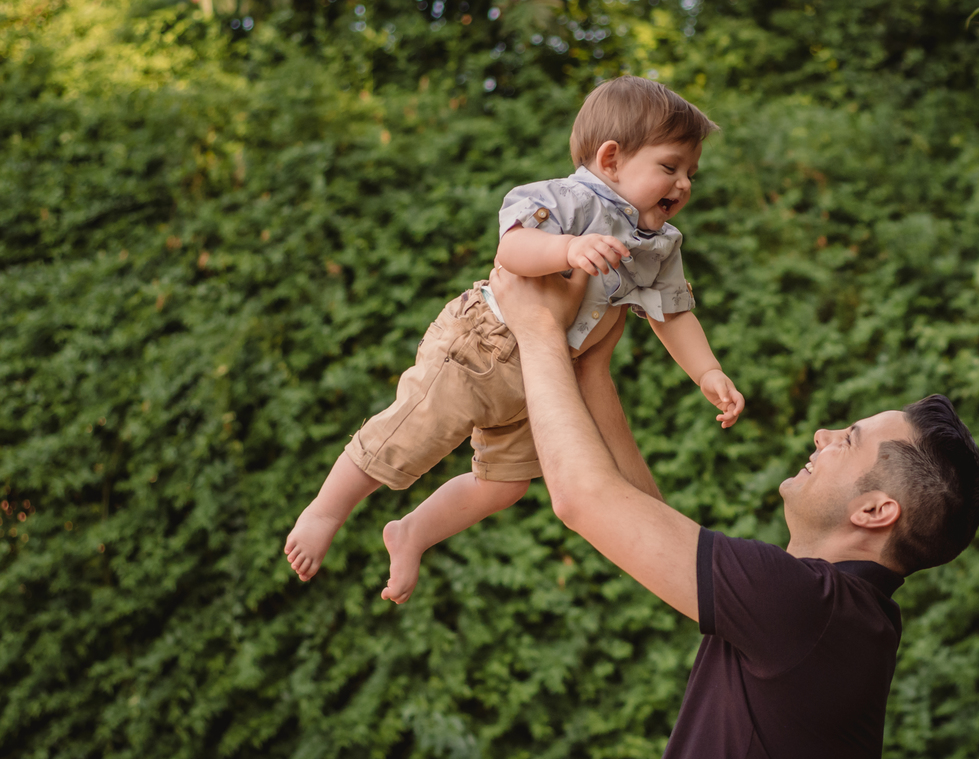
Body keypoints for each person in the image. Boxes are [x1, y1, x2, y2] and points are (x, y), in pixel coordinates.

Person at [487, 265, 979, 759]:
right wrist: (590, 366)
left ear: (873, 511)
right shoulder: (842, 619)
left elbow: (583, 499)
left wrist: (538, 327)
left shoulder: (811, 608)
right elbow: (639, 516)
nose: (822, 434)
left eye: (849, 439)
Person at [284, 76, 744, 604]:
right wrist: (567, 250)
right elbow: (513, 250)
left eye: (691, 173)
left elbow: (673, 313)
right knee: (404, 438)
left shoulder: (660, 245)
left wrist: (707, 372)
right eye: (670, 167)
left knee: (504, 486)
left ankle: (412, 531)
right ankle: (324, 511)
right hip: (483, 346)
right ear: (612, 158)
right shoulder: (568, 199)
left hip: (543, 379)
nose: (684, 184)